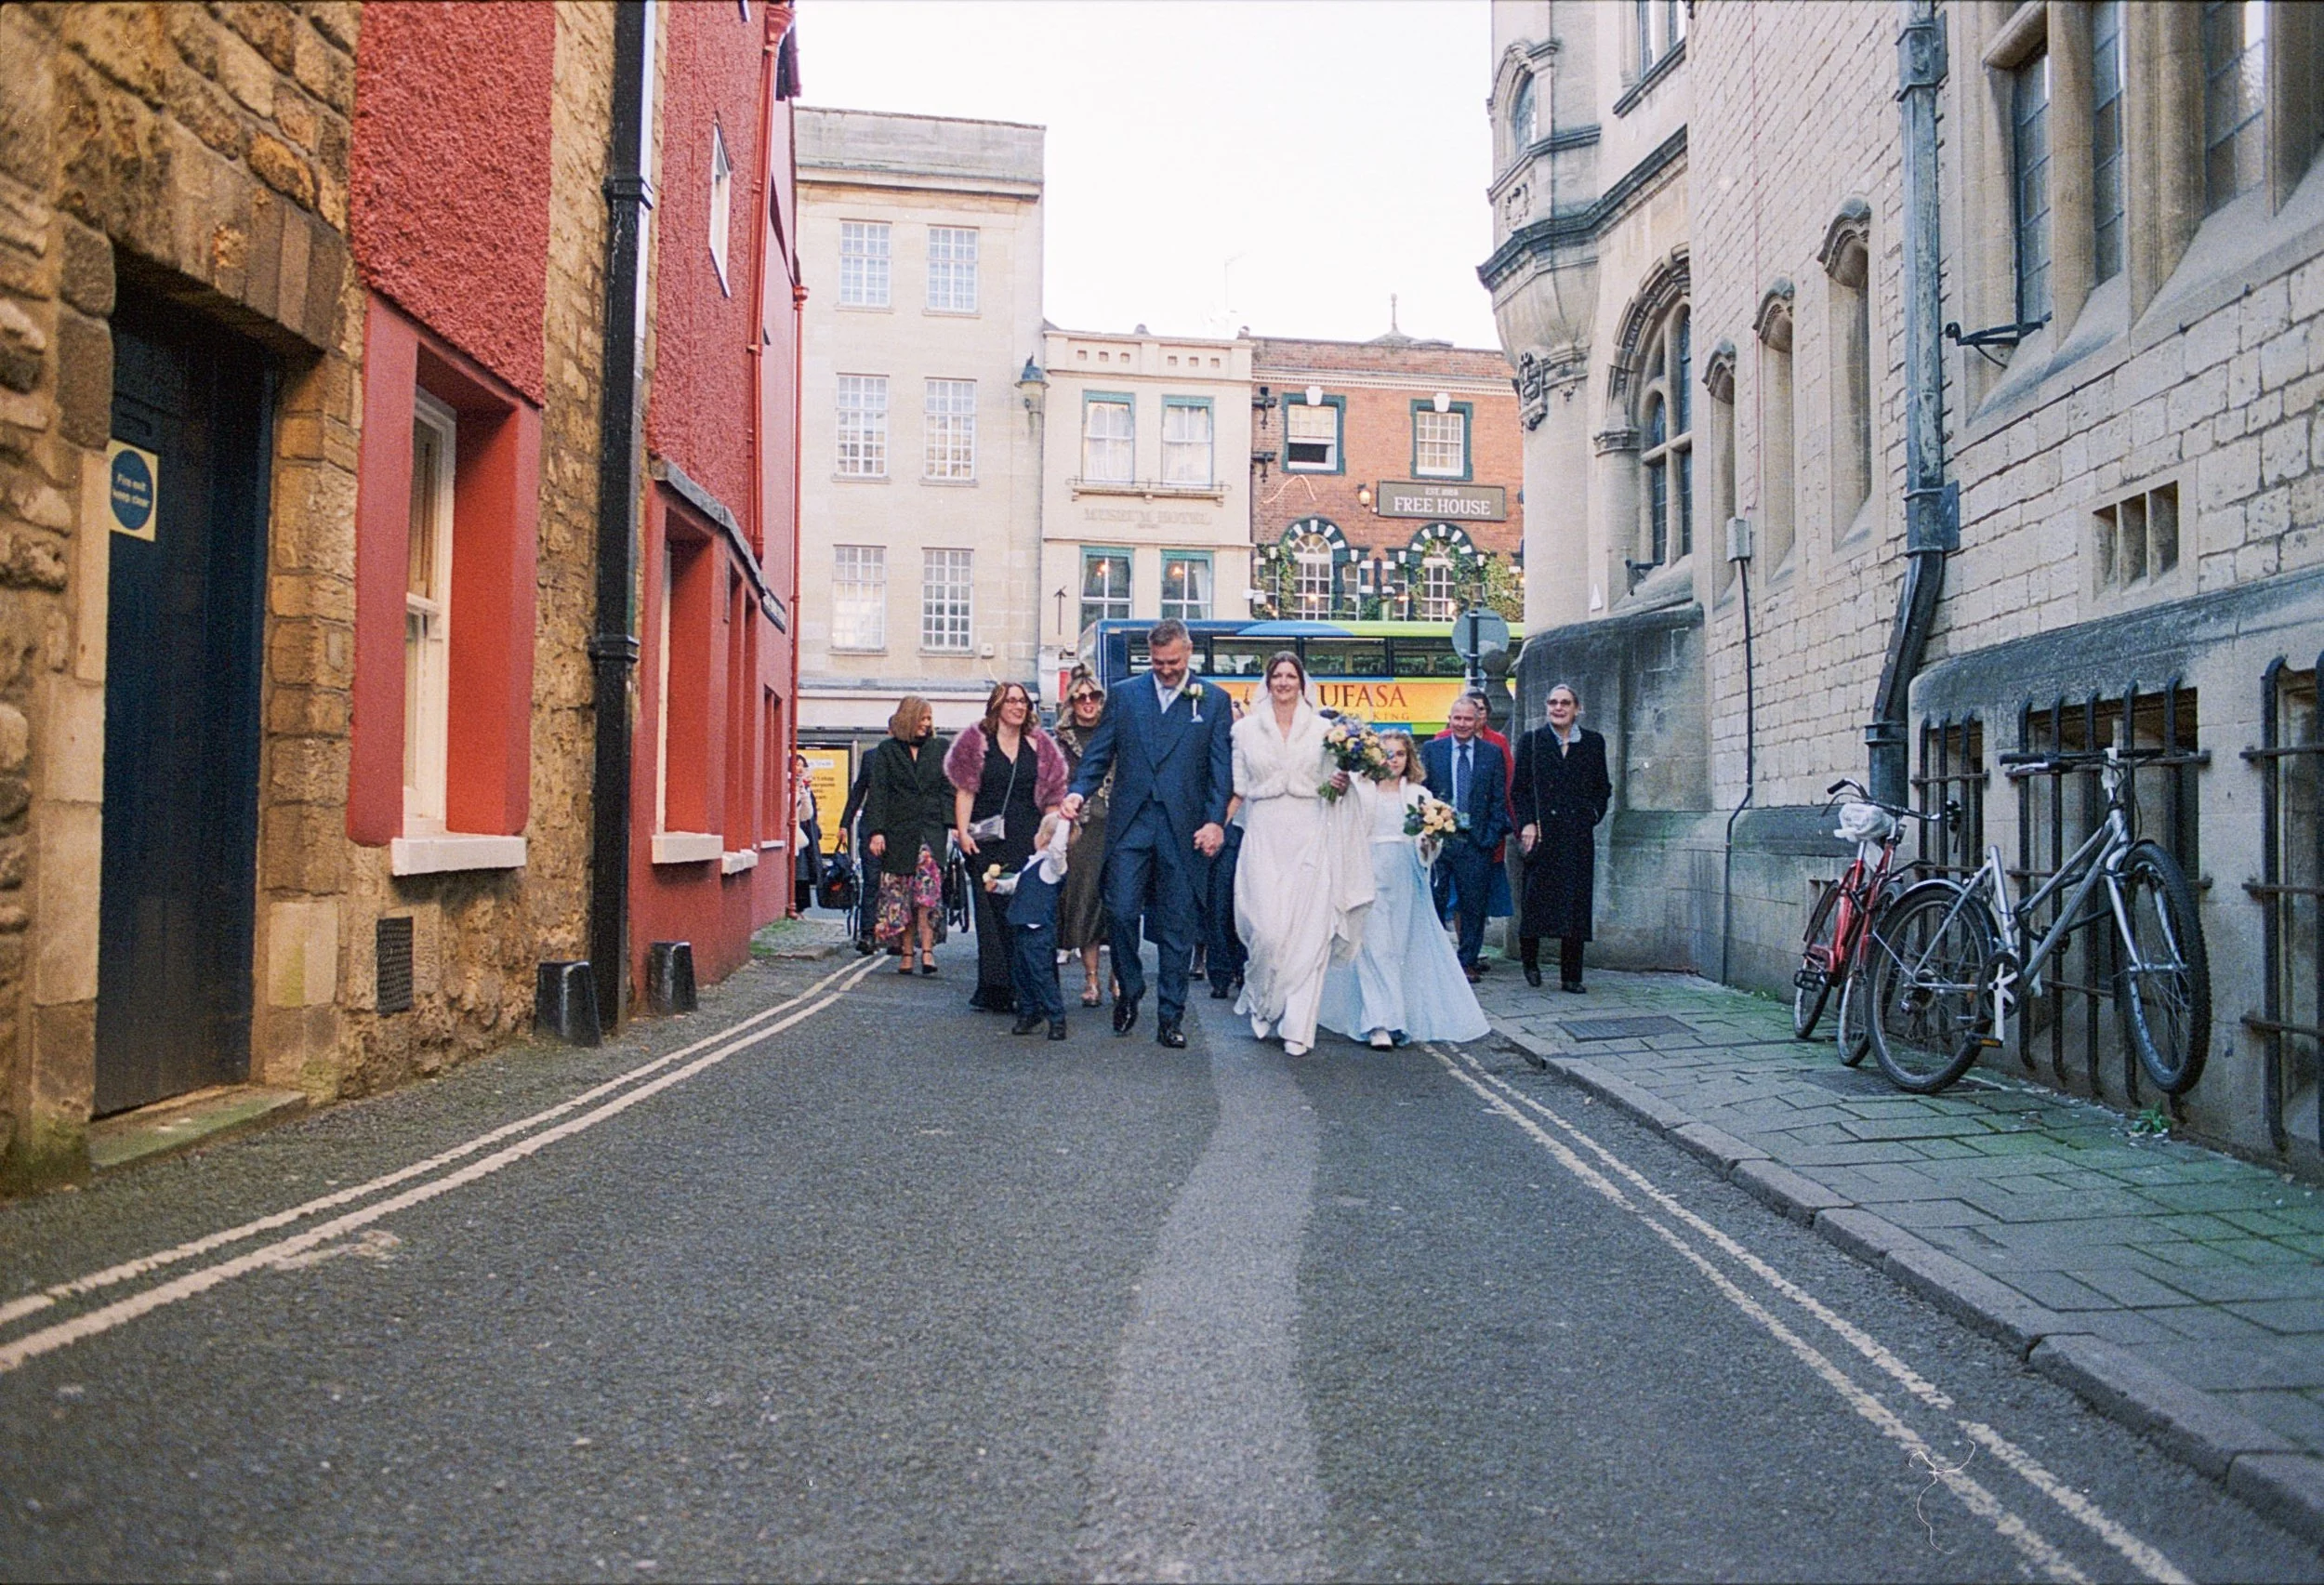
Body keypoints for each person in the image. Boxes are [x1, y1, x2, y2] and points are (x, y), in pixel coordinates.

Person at [1058, 618, 1233, 1049]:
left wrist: (1215, 820)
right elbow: (1098, 756)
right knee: (1118, 911)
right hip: (1131, 824)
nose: (1165, 670)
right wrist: (1077, 792)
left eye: (1172, 662)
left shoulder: (1212, 701)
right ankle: (1130, 989)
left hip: (1183, 828)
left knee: (1177, 927)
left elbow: (1219, 771)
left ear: (1187, 652)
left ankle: (1170, 1016)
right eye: (1157, 663)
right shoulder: (1125, 695)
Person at [1231, 652, 1372, 1058]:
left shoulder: (1326, 731)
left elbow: (1338, 786)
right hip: (1264, 832)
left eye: (1291, 676)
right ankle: (1262, 1000)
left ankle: (1298, 1027)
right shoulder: (1244, 732)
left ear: (1301, 682)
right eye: (1277, 675)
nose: (1284, 683)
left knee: (1309, 932)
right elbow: (1238, 788)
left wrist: (1343, 782)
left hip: (1312, 832)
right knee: (1268, 931)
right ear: (1268, 680)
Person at [1318, 731, 1490, 1048]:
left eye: (1399, 754)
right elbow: (1336, 818)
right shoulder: (1359, 788)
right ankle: (1379, 1024)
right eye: (1386, 753)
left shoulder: (1419, 795)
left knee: (1398, 949)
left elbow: (1427, 845)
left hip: (1405, 879)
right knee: (1373, 948)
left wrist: (1429, 842)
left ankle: (1398, 1016)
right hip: (1366, 875)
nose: (1392, 760)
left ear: (1408, 759)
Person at [946, 680, 1069, 1013]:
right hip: (986, 840)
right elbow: (965, 790)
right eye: (1012, 701)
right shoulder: (976, 742)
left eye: (1023, 702)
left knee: (1029, 916)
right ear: (997, 705)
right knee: (993, 918)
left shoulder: (1040, 745)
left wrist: (1051, 837)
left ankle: (1035, 990)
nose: (1018, 707)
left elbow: (1053, 794)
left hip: (1027, 839)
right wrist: (963, 832)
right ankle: (998, 989)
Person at [1512, 682, 1613, 992]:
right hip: (1543, 834)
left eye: (1565, 703)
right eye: (1553, 702)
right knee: (1535, 901)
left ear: (1576, 708)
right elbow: (1520, 790)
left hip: (1577, 836)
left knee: (1576, 905)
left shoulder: (1593, 743)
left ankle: (1572, 976)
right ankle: (1530, 962)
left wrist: (1592, 815)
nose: (1558, 708)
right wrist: (1528, 823)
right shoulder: (1532, 742)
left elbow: (1602, 788)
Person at [1421, 696, 1512, 981]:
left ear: (1478, 722)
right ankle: (1434, 960)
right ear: (1450, 719)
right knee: (1434, 901)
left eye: (1468, 719)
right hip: (1440, 841)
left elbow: (1499, 798)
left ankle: (1467, 961)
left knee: (1474, 905)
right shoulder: (1432, 750)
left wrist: (1489, 837)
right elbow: (1423, 793)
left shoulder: (1491, 753)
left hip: (1477, 842)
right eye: (1457, 718)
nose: (1462, 724)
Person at [863, 697, 952, 974]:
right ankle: (906, 953)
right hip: (898, 832)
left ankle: (926, 952)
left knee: (926, 895)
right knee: (903, 896)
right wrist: (877, 832)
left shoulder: (940, 748)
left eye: (929, 718)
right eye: (922, 718)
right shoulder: (887, 751)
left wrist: (953, 825)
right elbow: (878, 793)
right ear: (908, 719)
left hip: (930, 832)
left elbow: (949, 789)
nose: (927, 724)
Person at [1051, 668, 1115, 1008]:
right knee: (1087, 903)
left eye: (1094, 697)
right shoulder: (1061, 740)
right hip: (1083, 829)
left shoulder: (1117, 732)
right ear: (1071, 703)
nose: (1088, 703)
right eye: (1081, 698)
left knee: (1120, 902)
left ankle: (1118, 975)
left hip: (1119, 824)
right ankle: (1091, 979)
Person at [985, 811, 1073, 1041]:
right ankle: (1029, 1012)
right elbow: (1015, 884)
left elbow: (1057, 849)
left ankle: (1056, 1017)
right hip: (1022, 925)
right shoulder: (1032, 863)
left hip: (1039, 927)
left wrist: (1064, 821)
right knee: (1021, 973)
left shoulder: (1053, 865)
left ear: (1045, 836)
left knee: (1041, 974)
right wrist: (999, 886)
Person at [1204, 698, 1249, 1002]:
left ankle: (1245, 971)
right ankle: (1219, 975)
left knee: (1244, 908)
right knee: (1217, 908)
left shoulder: (1249, 752)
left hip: (1244, 834)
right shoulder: (1208, 751)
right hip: (1216, 836)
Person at [838, 750, 878, 953]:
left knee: (898, 883)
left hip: (901, 831)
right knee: (872, 881)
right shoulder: (872, 756)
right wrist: (845, 823)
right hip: (870, 828)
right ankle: (868, 934)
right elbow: (858, 791)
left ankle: (895, 935)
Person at [791, 753, 823, 916]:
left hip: (805, 835)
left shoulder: (805, 788)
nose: (799, 768)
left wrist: (804, 789)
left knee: (803, 871)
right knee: (797, 870)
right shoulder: (790, 785)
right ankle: (794, 904)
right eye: (796, 764)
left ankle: (801, 906)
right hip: (795, 835)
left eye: (802, 765)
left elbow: (809, 813)